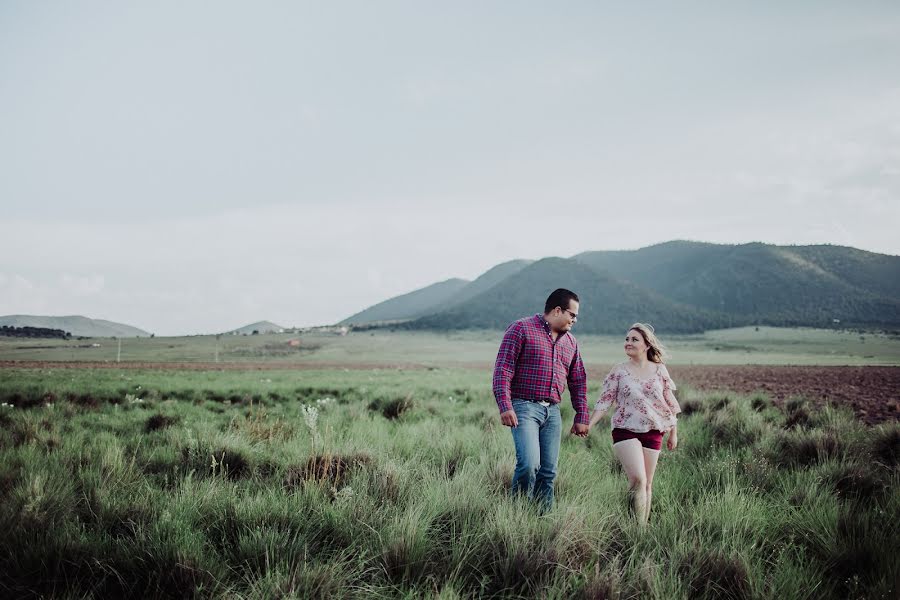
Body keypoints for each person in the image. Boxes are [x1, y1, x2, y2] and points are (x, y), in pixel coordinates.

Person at [492, 288, 590, 512]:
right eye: (572, 315)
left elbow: (578, 381)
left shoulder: (571, 343)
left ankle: (542, 521)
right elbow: (503, 369)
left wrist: (581, 415)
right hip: (524, 408)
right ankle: (516, 517)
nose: (574, 320)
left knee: (548, 473)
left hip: (553, 413)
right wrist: (505, 405)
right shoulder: (521, 329)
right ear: (557, 310)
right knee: (528, 465)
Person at [588, 323, 680, 524]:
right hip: (625, 429)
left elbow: (669, 403)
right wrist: (589, 424)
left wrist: (673, 432)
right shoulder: (619, 371)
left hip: (654, 430)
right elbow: (605, 400)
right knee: (637, 479)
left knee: (647, 484)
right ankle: (635, 528)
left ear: (647, 345)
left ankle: (641, 529)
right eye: (627, 339)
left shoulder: (659, 370)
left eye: (634, 339)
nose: (628, 343)